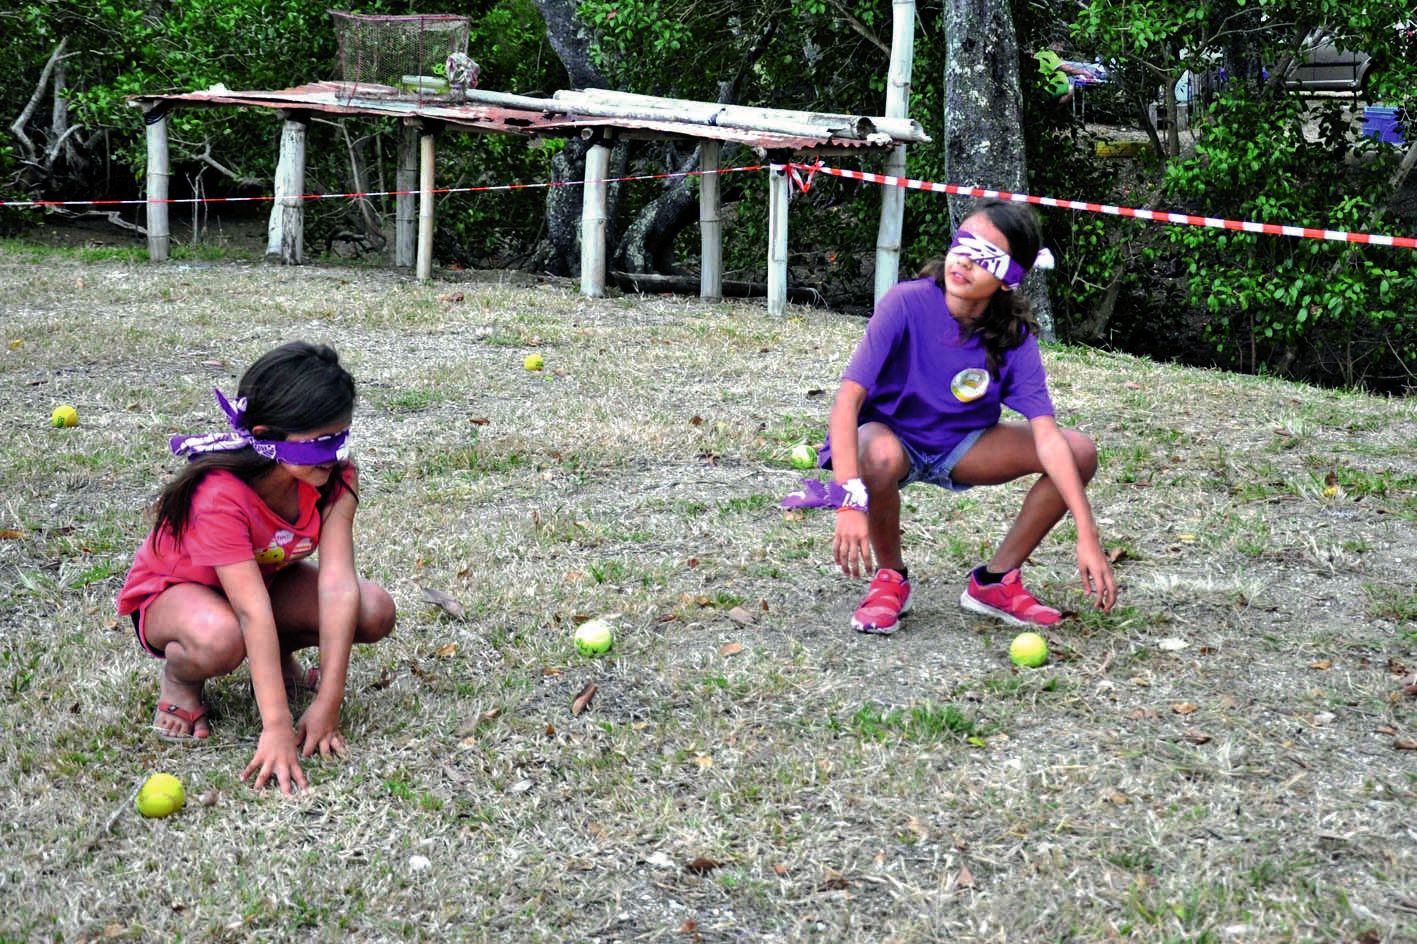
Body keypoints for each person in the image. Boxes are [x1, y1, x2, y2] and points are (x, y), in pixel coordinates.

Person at [809, 199, 1116, 634]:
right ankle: (891, 578)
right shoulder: (905, 302)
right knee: (874, 451)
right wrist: (849, 498)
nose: (966, 260)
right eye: (964, 243)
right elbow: (847, 401)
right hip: (891, 442)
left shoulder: (1015, 336)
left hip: (963, 445)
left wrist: (1087, 534)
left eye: (986, 256)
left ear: (1009, 279)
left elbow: (1047, 437)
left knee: (1077, 451)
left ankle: (994, 582)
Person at [117, 342, 395, 794]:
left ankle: (277, 654)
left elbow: (339, 586)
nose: (333, 453)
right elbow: (250, 612)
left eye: (340, 437)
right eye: (320, 442)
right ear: (267, 434)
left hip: (261, 585)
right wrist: (278, 727)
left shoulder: (334, 479)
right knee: (222, 638)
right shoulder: (219, 494)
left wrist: (329, 701)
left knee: (374, 609)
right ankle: (180, 679)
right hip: (177, 596)